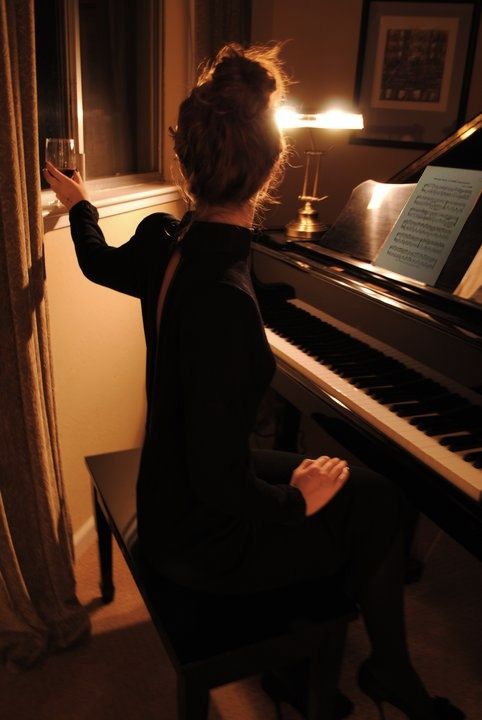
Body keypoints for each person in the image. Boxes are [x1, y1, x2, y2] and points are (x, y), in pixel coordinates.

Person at [44, 43, 464, 720]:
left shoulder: (164, 240)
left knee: (378, 492)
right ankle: (329, 670)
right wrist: (297, 502)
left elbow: (96, 262)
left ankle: (373, 668)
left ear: (188, 162)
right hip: (202, 535)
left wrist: (81, 204)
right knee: (360, 514)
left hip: (171, 483)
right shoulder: (226, 299)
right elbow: (222, 482)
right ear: (273, 167)